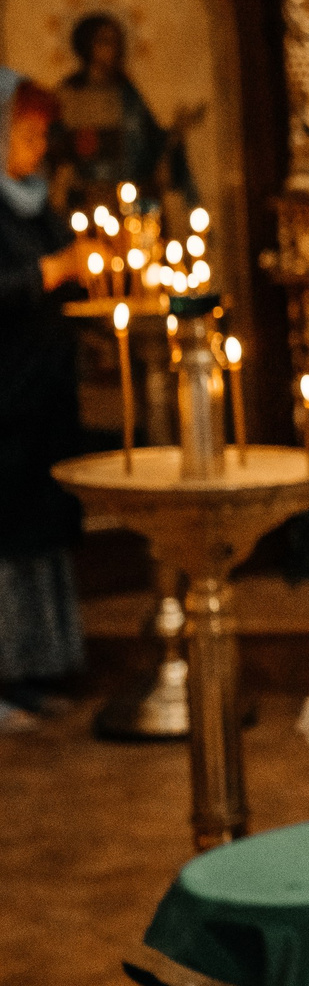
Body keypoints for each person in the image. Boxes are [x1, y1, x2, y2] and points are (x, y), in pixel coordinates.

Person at [1, 72, 101, 730]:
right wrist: (51, 272)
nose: (38, 147)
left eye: (42, 134)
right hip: (1, 396)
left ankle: (34, 669)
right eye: (27, 133)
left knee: (38, 526)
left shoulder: (35, 205)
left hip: (40, 392)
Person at [50, 13, 200, 214]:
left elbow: (151, 144)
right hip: (84, 204)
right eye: (105, 42)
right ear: (87, 44)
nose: (113, 50)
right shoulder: (67, 94)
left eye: (116, 42)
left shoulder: (127, 94)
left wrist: (176, 133)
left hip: (129, 202)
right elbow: (53, 145)